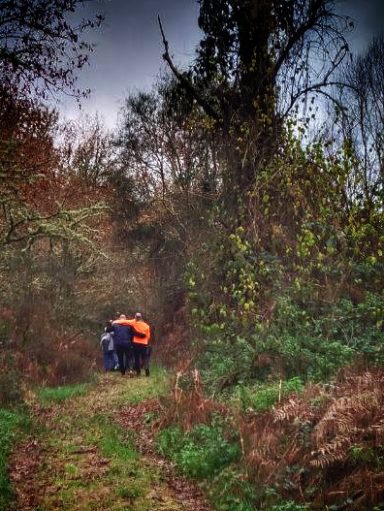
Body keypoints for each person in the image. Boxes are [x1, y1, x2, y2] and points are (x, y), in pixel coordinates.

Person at [130, 312, 151, 376]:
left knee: (136, 357)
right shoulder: (146, 326)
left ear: (135, 317)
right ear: (141, 317)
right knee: (144, 357)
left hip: (136, 343)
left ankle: (138, 371)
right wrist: (146, 341)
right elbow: (148, 336)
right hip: (144, 343)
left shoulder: (133, 325)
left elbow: (131, 333)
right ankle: (147, 370)